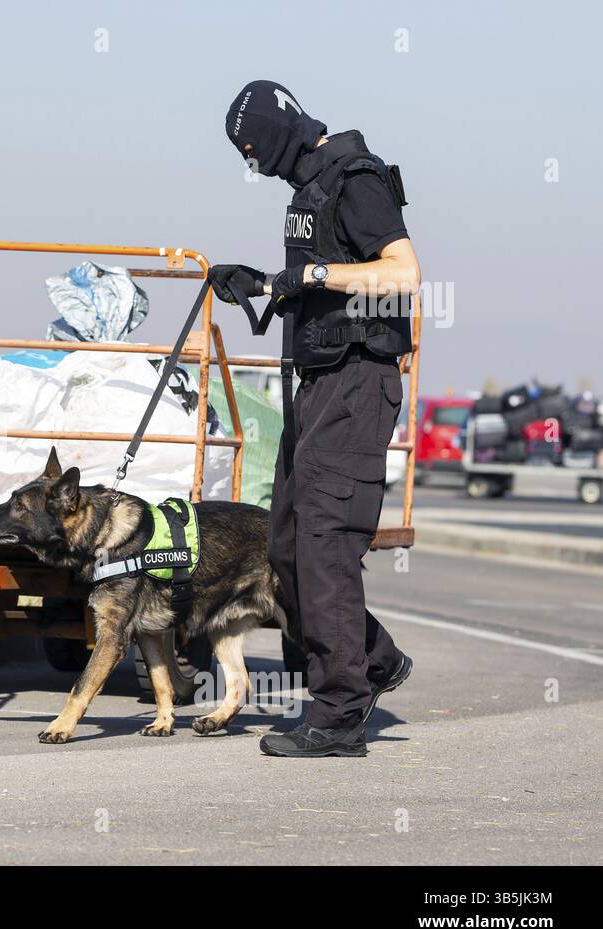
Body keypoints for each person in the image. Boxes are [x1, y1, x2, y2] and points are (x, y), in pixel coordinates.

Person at [210, 80, 419, 757]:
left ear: (276, 136)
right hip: (319, 384)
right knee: (288, 546)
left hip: (359, 384)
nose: (256, 164)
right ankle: (375, 659)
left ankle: (338, 714)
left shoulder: (356, 178)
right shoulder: (312, 190)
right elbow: (317, 281)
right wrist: (267, 283)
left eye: (254, 151)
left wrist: (318, 275)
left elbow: (402, 273)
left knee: (327, 543)